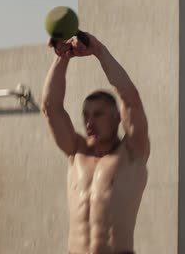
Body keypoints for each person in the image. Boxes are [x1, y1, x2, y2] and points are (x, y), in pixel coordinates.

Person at [41, 32, 150, 254]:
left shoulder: (132, 153)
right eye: (86, 115)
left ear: (117, 117)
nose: (89, 122)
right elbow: (50, 108)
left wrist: (99, 52)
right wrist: (62, 57)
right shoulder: (76, 151)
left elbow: (132, 101)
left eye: (98, 115)